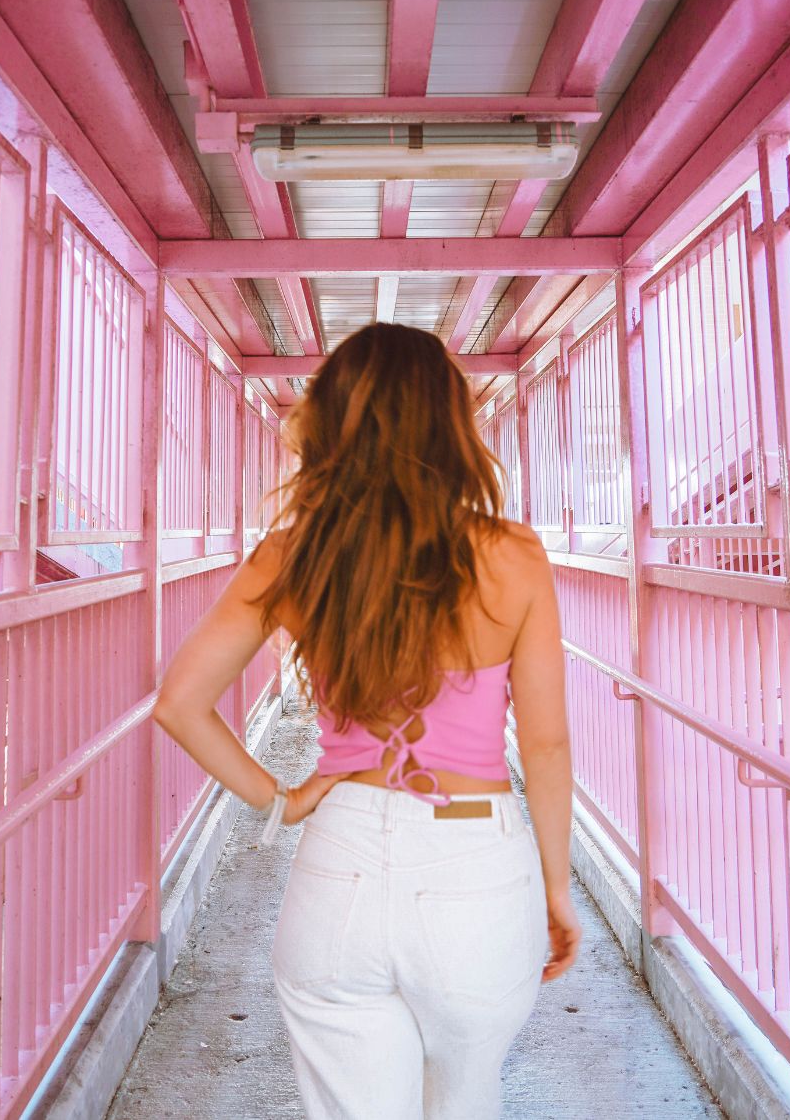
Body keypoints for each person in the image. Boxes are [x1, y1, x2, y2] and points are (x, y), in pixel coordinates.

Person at [152, 322, 582, 1120]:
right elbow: (548, 744)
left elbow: (180, 702)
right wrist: (555, 888)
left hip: (338, 863)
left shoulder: (292, 555)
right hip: (477, 872)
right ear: (449, 421)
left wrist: (278, 796)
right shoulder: (514, 555)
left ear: (331, 422)